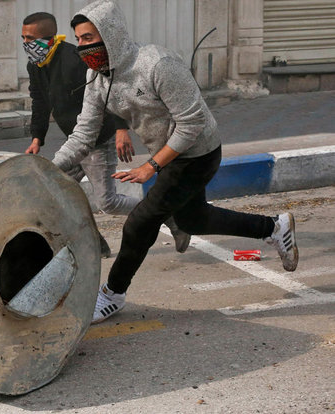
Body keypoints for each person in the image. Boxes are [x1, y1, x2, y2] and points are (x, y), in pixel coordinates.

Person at [51, 0, 299, 323]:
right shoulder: (97, 78)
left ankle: (113, 293)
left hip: (198, 152)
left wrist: (150, 166)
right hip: (170, 155)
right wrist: (49, 169)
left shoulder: (157, 63)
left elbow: (192, 123)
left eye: (88, 38)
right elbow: (83, 135)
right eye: (78, 39)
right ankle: (275, 227)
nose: (82, 47)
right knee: (194, 219)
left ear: (109, 34)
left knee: (141, 221)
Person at [21, 11, 190, 257]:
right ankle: (94, 241)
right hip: (75, 141)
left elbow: (108, 88)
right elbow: (39, 100)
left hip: (97, 139)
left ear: (48, 38)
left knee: (107, 202)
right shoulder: (36, 65)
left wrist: (121, 128)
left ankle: (168, 215)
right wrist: (37, 138)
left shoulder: (74, 59)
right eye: (23, 38)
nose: (26, 44)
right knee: (55, 193)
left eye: (29, 39)